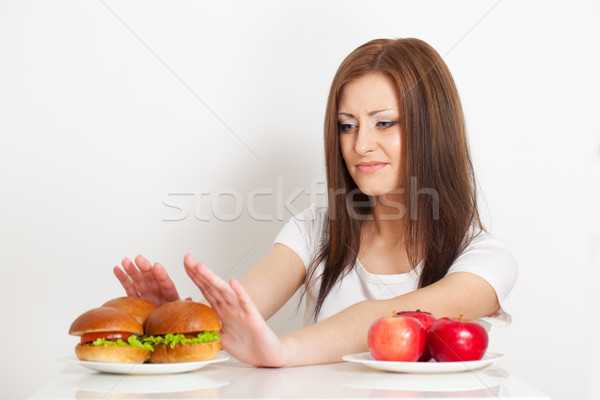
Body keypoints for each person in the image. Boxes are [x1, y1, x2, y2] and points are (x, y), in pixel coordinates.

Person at [113, 38, 518, 367]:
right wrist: (178, 325)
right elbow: (238, 317)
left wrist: (281, 351)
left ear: (432, 130)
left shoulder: (485, 260)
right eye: (347, 126)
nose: (360, 145)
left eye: (384, 122)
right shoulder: (314, 230)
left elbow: (392, 316)